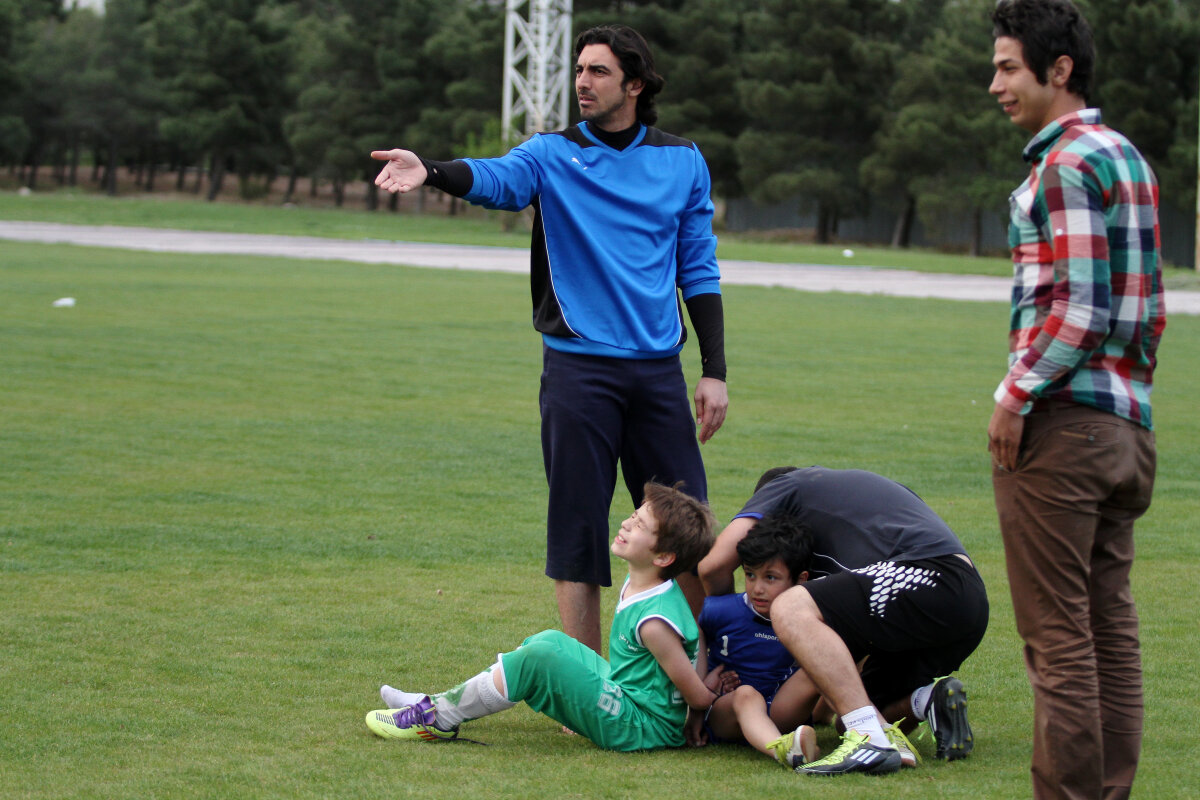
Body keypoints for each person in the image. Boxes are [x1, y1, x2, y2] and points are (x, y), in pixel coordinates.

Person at [370, 24, 728, 655]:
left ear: (635, 85)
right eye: (580, 69)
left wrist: (714, 370)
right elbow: (496, 179)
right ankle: (590, 687)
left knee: (688, 531)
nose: (582, 82)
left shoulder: (683, 160)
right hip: (577, 374)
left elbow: (698, 269)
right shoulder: (550, 154)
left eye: (598, 72)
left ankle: (707, 677)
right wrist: (432, 171)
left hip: (657, 374)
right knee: (578, 529)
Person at [986, 2, 1165, 798]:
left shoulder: (1062, 165)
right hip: (1128, 427)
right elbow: (1141, 310)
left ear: (1058, 70)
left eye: (1008, 68)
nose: (996, 85)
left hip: (1064, 430)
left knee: (1057, 640)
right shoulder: (1129, 158)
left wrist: (1014, 394)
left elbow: (1082, 306)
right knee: (1109, 632)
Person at [365, 482, 717, 751]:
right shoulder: (651, 585)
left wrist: (705, 699)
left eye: (640, 525)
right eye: (634, 516)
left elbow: (696, 694)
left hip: (640, 727)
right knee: (547, 641)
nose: (626, 523)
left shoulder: (654, 622)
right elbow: (696, 638)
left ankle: (436, 718)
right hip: (629, 703)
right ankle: (438, 703)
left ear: (663, 557)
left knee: (539, 659)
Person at [699, 466, 989, 775]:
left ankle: (869, 740)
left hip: (928, 574)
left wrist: (731, 625)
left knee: (790, 607)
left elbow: (712, 567)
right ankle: (927, 700)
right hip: (968, 606)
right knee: (854, 707)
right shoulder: (844, 513)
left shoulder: (786, 486)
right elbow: (838, 651)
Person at [688, 513, 819, 768]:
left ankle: (865, 731)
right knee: (747, 695)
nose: (757, 588)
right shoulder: (719, 610)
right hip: (728, 711)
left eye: (770, 578)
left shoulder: (808, 619)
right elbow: (694, 634)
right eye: (750, 575)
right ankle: (785, 751)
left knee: (823, 664)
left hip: (780, 711)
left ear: (800, 579)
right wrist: (701, 690)